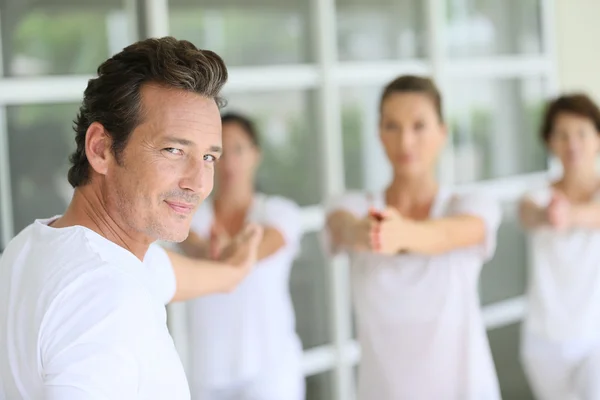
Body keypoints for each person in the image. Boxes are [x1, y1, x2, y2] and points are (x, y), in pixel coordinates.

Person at [0, 37, 263, 400]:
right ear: (101, 149)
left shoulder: (37, 245)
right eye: (173, 150)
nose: (198, 184)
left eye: (208, 157)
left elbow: (165, 272)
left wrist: (235, 270)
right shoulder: (105, 299)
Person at [324, 75, 502, 400]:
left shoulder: (470, 205)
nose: (406, 141)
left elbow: (455, 232)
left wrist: (402, 233)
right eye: (392, 126)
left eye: (419, 126)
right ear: (379, 133)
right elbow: (343, 226)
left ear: (442, 132)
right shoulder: (352, 206)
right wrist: (368, 232)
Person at [180, 113, 305, 400]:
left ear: (256, 155)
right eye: (219, 152)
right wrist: (213, 251)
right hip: (209, 373)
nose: (230, 162)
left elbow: (264, 246)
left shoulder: (279, 212)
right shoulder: (192, 217)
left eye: (238, 150)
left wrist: (228, 251)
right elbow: (194, 246)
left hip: (271, 373)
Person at [519, 94, 600, 400]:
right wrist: (547, 215)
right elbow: (528, 215)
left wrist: (570, 214)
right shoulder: (537, 196)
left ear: (598, 138)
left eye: (581, 133)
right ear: (550, 142)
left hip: (595, 338)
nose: (572, 143)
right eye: (562, 135)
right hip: (545, 340)